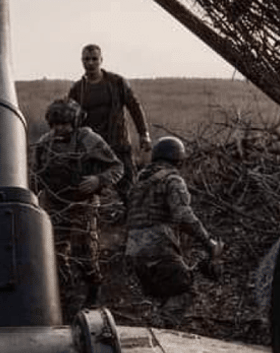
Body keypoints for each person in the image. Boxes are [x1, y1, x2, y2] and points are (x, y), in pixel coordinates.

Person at [31, 98, 124, 309]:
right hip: (53, 204)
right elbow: (35, 175)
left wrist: (98, 180)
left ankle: (94, 290)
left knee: (84, 253)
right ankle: (65, 294)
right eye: (56, 124)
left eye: (65, 124)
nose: (60, 129)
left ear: (74, 122)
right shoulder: (44, 143)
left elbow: (117, 167)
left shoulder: (89, 140)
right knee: (53, 253)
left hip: (83, 205)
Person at [125, 136, 222, 327]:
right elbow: (183, 216)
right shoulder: (172, 179)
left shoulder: (139, 183)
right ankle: (165, 332)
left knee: (166, 296)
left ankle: (159, 329)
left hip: (134, 252)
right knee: (184, 292)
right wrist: (208, 242)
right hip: (159, 250)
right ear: (178, 160)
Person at [67, 44, 151, 199]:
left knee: (128, 187)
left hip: (118, 143)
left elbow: (134, 107)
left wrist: (143, 134)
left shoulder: (117, 82)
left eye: (94, 59)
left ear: (101, 60)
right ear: (82, 61)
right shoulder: (77, 89)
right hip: (92, 148)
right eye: (86, 59)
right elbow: (69, 119)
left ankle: (130, 212)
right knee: (93, 189)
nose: (90, 63)